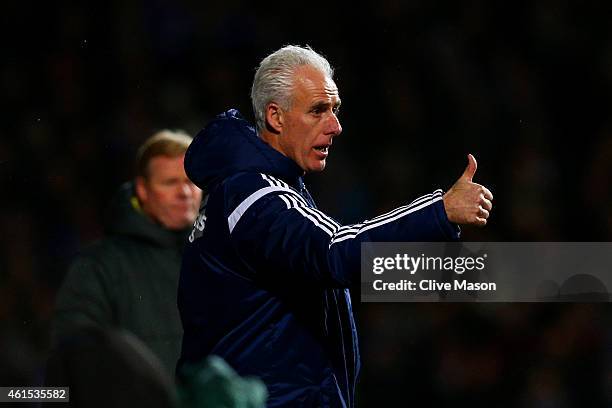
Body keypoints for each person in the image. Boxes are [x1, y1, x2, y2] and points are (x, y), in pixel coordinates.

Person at [177, 45, 493, 407]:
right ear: (276, 117)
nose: (336, 126)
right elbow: (335, 253)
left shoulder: (259, 189)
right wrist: (440, 210)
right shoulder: (253, 196)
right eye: (318, 111)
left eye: (335, 109)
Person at [52, 130, 202, 374]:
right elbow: (75, 355)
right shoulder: (99, 265)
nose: (184, 193)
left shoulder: (224, 257)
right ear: (142, 190)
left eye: (191, 181)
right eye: (170, 182)